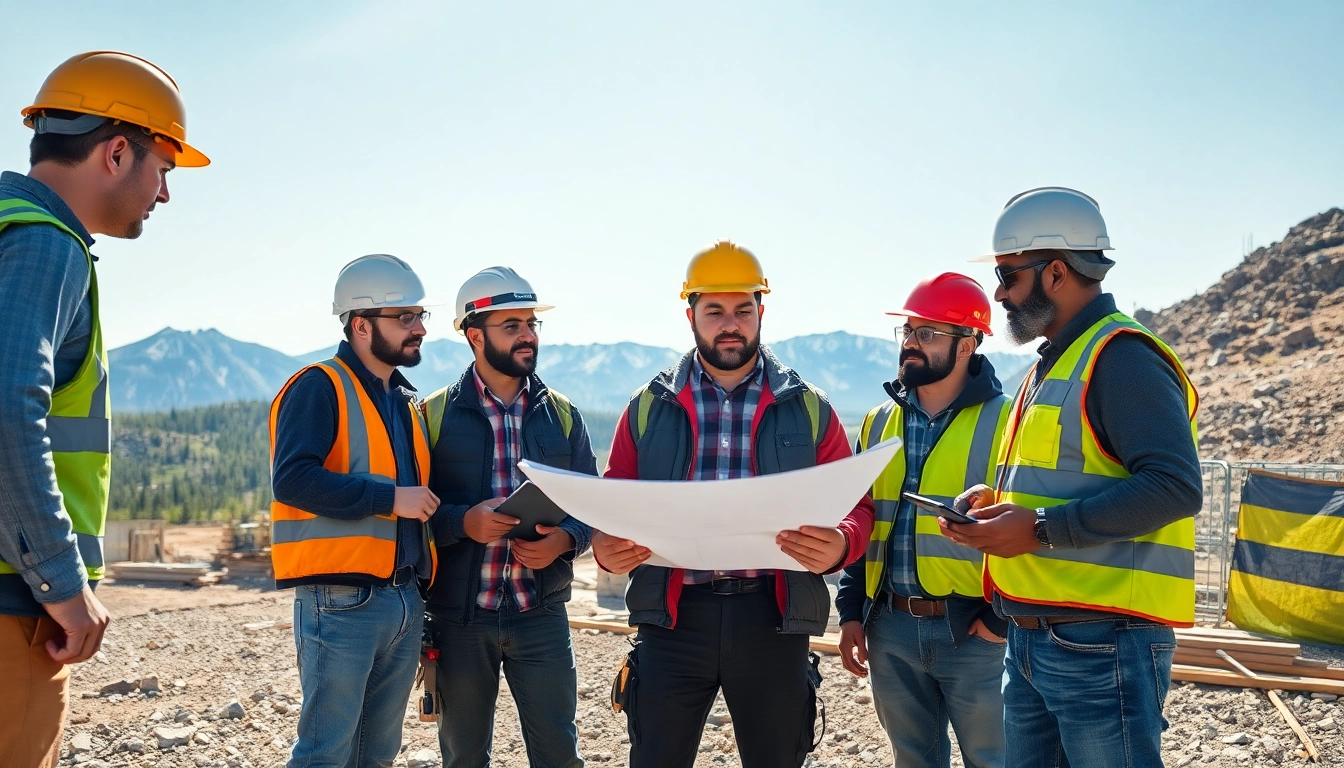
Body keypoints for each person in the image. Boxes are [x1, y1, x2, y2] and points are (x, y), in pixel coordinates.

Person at [942, 187, 1203, 768]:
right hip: (1034, 635)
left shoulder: (1122, 356)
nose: (1000, 293)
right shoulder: (1054, 359)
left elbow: (1176, 485)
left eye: (1008, 275)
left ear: (1056, 272)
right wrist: (998, 503)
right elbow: (1068, 476)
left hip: (1103, 645)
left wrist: (1036, 528)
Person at [0, 51, 208, 768]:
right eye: (164, 169)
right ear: (116, 151)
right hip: (11, 601)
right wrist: (62, 581)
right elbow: (6, 413)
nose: (164, 194)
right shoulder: (42, 245)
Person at [594, 241, 876, 768]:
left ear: (761, 312)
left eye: (744, 310)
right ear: (691, 315)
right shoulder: (647, 408)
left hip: (773, 617)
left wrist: (840, 543)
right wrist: (608, 550)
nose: (731, 324)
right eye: (715, 311)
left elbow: (857, 506)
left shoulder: (810, 408)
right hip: (672, 622)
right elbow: (614, 503)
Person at [270, 254, 441, 767]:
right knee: (326, 752)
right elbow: (293, 479)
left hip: (402, 598)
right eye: (404, 317)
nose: (419, 329)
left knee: (377, 754)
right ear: (361, 325)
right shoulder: (318, 386)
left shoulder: (405, 401)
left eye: (419, 315)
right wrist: (389, 499)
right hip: (341, 600)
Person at [835, 273, 1011, 768]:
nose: (910, 343)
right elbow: (863, 522)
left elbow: (1026, 531)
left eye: (927, 333)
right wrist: (851, 613)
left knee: (995, 760)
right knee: (913, 760)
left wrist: (999, 621)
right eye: (908, 331)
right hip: (889, 627)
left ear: (967, 345)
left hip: (976, 631)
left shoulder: (1007, 421)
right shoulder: (876, 423)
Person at [422, 267, 595, 768]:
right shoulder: (430, 416)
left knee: (560, 756)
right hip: (459, 619)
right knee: (463, 758)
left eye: (531, 324)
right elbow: (411, 518)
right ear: (474, 336)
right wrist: (462, 523)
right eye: (512, 325)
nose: (528, 335)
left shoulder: (562, 415)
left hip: (540, 616)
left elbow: (591, 505)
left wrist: (564, 541)